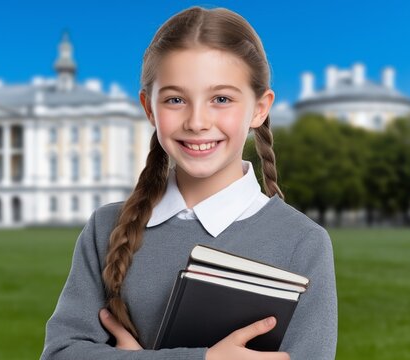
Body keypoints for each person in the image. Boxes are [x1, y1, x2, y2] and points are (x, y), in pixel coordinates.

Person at [40, 5, 337, 360]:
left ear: (260, 108)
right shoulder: (106, 228)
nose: (197, 121)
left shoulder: (302, 243)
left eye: (221, 99)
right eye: (175, 100)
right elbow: (61, 354)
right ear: (149, 109)